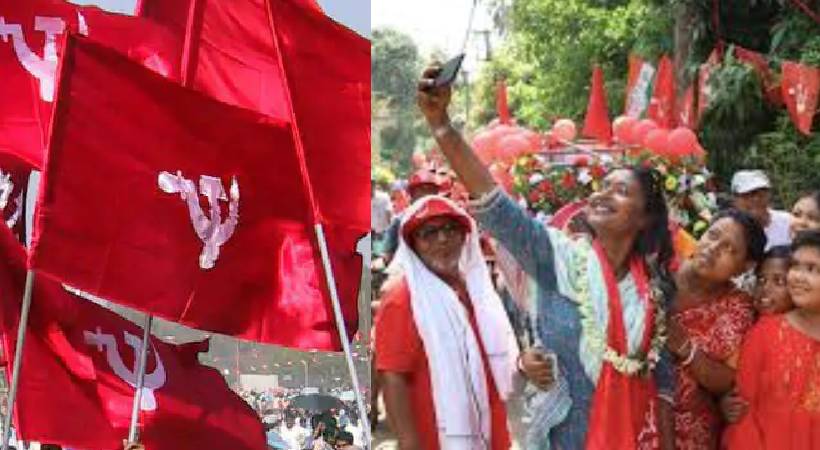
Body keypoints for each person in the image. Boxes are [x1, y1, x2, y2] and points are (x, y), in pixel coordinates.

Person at [417, 66, 676, 449]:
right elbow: (496, 206)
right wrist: (442, 126)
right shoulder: (559, 261)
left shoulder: (653, 291)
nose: (601, 195)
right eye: (601, 187)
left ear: (646, 217)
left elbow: (661, 378)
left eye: (620, 191)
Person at [375, 195, 519, 450]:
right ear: (414, 245)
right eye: (428, 233)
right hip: (436, 435)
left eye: (450, 229)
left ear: (466, 236)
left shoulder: (478, 291)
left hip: (490, 426)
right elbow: (393, 376)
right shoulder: (403, 298)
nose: (442, 239)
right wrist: (408, 443)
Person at [665, 209, 766, 449]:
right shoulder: (658, 273)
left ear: (745, 267)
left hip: (689, 432)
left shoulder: (738, 307)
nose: (713, 248)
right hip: (628, 412)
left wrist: (685, 348)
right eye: (712, 235)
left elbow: (728, 380)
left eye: (730, 249)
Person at [724, 230, 820, 449]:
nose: (797, 276)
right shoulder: (764, 334)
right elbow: (744, 420)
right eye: (795, 266)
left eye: (812, 269)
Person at [731, 170, 791, 249]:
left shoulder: (788, 223)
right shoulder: (729, 229)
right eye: (748, 194)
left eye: (761, 193)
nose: (756, 199)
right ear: (735, 199)